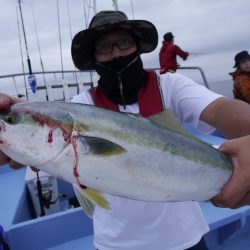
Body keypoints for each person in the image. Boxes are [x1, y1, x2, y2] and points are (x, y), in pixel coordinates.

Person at [2, 10, 250, 250]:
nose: (116, 53)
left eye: (124, 42)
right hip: (115, 243)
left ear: (138, 46)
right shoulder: (81, 106)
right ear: (94, 57)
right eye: (103, 47)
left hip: (184, 237)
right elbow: (43, 150)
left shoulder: (170, 86)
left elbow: (224, 112)